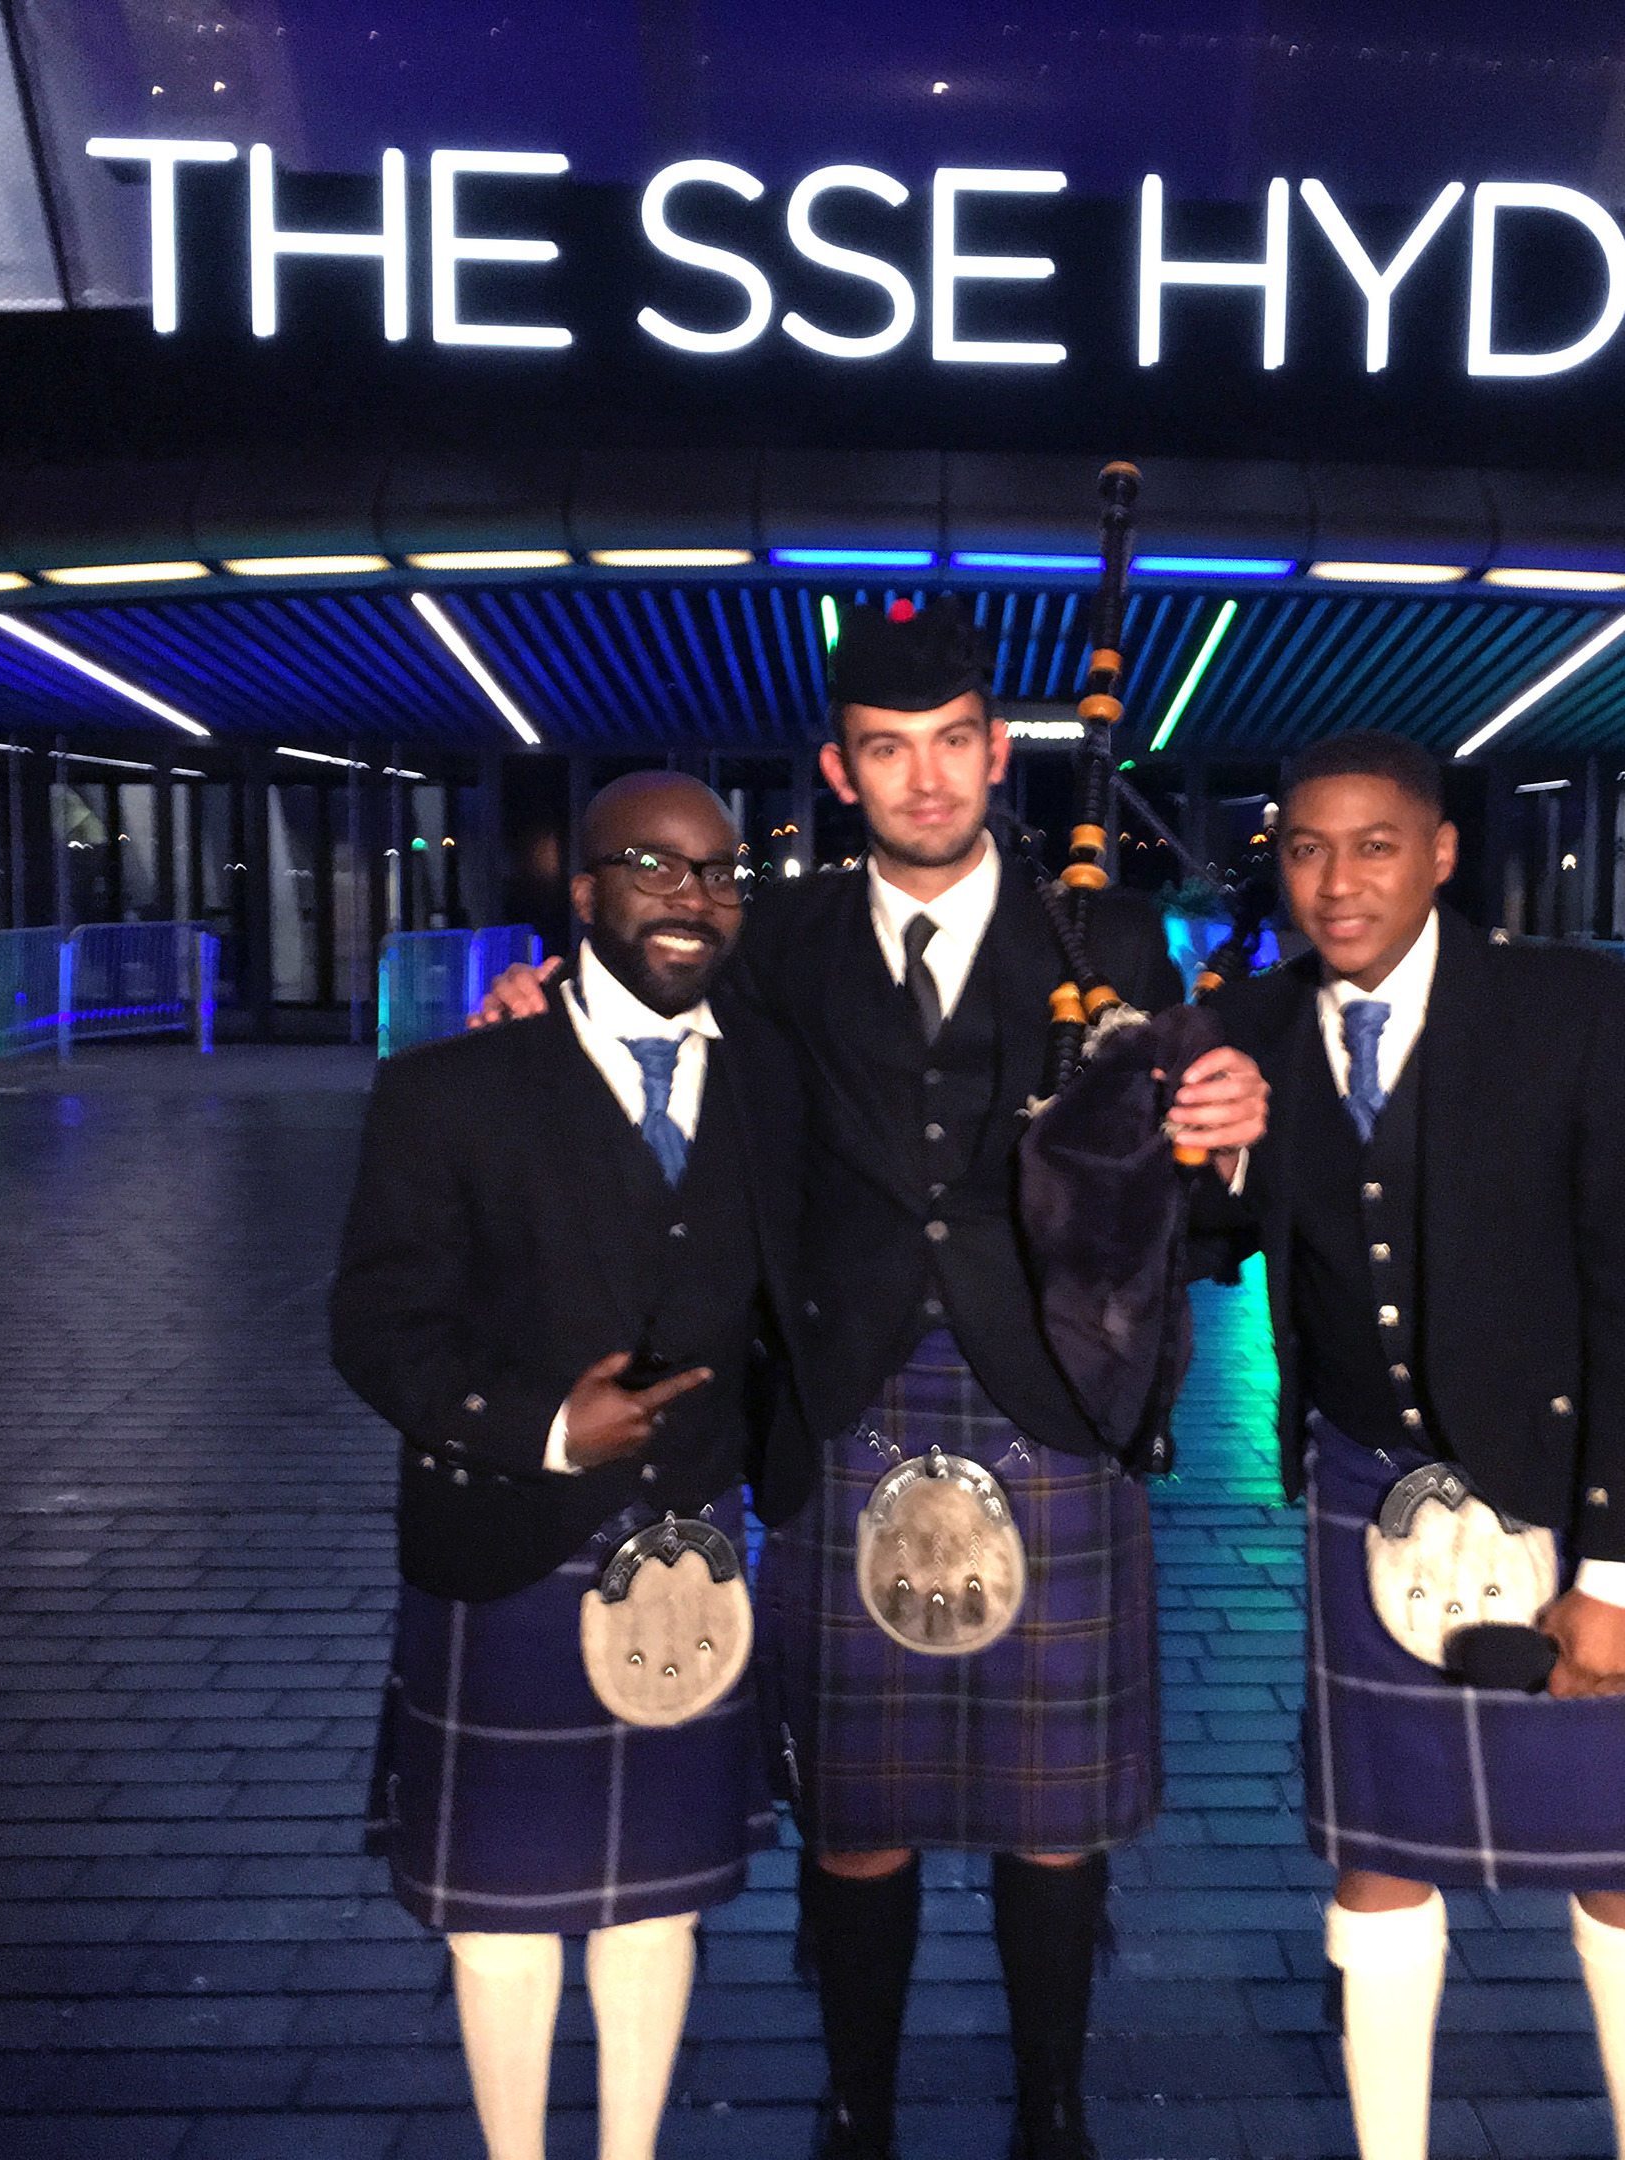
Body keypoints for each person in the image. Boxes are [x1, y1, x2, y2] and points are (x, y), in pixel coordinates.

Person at [478, 597, 1268, 2160]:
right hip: (843, 1395)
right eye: (885, 752)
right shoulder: (779, 939)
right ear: (840, 773)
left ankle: (1051, 2110)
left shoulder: (1100, 933)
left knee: (1055, 1820)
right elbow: (646, 1024)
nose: (923, 781)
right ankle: (859, 2109)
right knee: (858, 1812)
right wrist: (533, 1019)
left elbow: (1187, 1189)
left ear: (996, 753)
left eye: (952, 745)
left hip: (1053, 1391)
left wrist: (1226, 1132)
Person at [1205, 731, 1625, 2160]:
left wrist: (1623, 1572)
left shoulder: (1568, 1008)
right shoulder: (1250, 1023)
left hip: (1565, 1495)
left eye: (1373, 845)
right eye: (1307, 849)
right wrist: (1190, 1158)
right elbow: (1206, 1242)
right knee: (1378, 1855)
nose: (1337, 882)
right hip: (1359, 1483)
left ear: (1440, 852)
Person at [333, 774, 806, 2160]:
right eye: (653, 866)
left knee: (658, 1903)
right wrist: (543, 1425)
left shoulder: (777, 1082)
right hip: (506, 1548)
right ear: (584, 891)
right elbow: (375, 1324)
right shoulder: (450, 1089)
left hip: (693, 1544)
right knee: (497, 1921)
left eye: (719, 873)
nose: (691, 896)